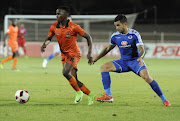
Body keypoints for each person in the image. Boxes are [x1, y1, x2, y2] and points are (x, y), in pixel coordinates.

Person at [91, 14, 171, 106]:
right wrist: (96, 58)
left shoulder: (134, 34)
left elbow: (141, 48)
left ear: (124, 24)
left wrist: (140, 57)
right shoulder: (115, 36)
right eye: (115, 26)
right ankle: (108, 96)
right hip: (123, 62)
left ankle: (164, 99)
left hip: (135, 61)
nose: (116, 28)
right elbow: (107, 49)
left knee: (147, 77)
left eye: (118, 25)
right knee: (104, 67)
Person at [41, 6, 96, 105]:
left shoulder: (74, 27)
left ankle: (78, 93)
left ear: (66, 15)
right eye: (56, 13)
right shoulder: (54, 26)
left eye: (59, 13)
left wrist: (89, 53)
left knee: (65, 72)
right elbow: (49, 37)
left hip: (74, 54)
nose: (57, 15)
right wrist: (44, 44)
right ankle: (91, 95)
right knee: (74, 79)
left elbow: (88, 37)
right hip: (64, 55)